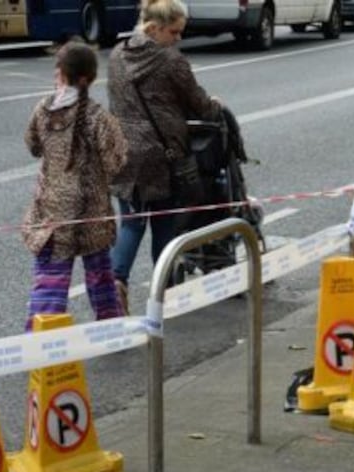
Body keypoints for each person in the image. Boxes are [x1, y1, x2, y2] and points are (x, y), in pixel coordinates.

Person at [107, 0, 221, 312]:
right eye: (175, 32)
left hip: (122, 153)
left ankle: (116, 282)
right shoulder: (171, 60)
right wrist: (215, 106)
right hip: (160, 156)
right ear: (154, 28)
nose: (179, 39)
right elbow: (198, 103)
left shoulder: (117, 55)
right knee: (164, 226)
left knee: (130, 224)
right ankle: (164, 292)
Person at [22, 42, 129, 330]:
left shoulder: (42, 110)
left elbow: (32, 146)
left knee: (51, 280)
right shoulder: (98, 117)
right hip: (90, 210)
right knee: (100, 275)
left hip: (51, 210)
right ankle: (111, 328)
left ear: (61, 73)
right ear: (89, 79)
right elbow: (116, 161)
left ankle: (40, 336)